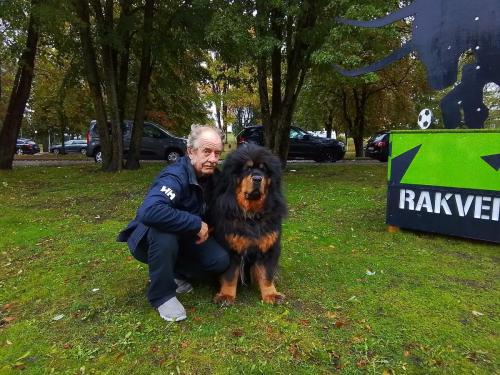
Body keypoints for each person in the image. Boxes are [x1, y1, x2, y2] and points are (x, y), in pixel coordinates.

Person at [117, 126, 229, 322]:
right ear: (191, 152)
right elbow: (150, 211)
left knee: (219, 260)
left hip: (186, 239)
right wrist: (195, 223)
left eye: (217, 153)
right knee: (164, 231)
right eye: (207, 151)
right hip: (148, 241)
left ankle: (175, 274)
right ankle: (162, 295)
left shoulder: (215, 178)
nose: (213, 159)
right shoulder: (175, 175)